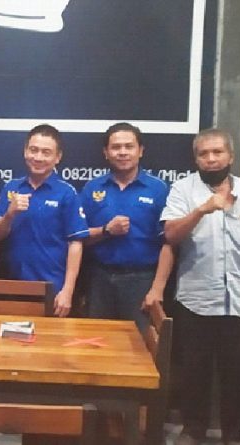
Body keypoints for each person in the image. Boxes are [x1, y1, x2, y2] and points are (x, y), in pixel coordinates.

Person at [161, 129, 240, 445]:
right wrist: (201, 209)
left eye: (217, 152)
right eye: (204, 154)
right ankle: (193, 430)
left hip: (238, 298)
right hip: (195, 297)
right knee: (194, 371)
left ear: (230, 156)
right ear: (196, 158)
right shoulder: (183, 190)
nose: (211, 159)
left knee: (236, 373)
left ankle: (234, 434)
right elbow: (170, 235)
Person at [79, 122, 173, 331]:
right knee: (98, 341)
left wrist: (157, 289)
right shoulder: (92, 188)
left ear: (140, 151)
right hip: (99, 279)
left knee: (139, 344)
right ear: (106, 152)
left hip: (142, 280)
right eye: (116, 147)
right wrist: (106, 230)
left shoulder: (159, 189)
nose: (122, 152)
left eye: (129, 146)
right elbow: (79, 237)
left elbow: (169, 242)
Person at [0, 124, 89, 317]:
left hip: (53, 288)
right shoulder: (11, 187)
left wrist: (68, 291)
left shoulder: (66, 192)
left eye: (46, 152)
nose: (38, 157)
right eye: (33, 150)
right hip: (13, 286)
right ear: (25, 151)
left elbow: (76, 243)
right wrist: (9, 214)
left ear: (57, 157)